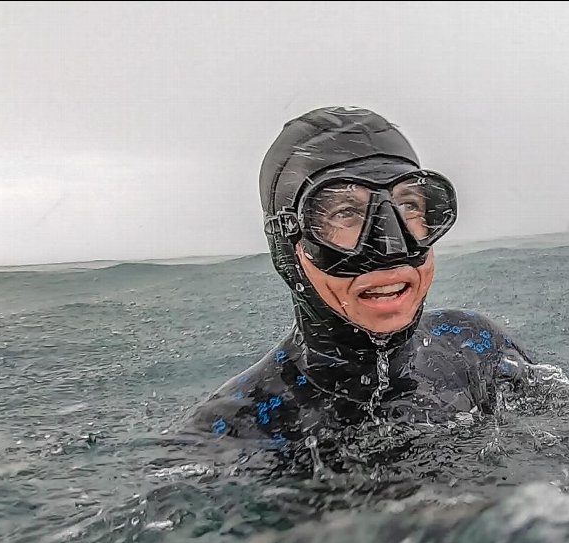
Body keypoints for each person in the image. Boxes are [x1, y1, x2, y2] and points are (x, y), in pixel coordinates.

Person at [184, 106, 537, 448]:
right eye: (345, 212)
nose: (390, 247)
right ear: (287, 243)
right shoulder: (233, 431)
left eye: (408, 206)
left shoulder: (475, 346)